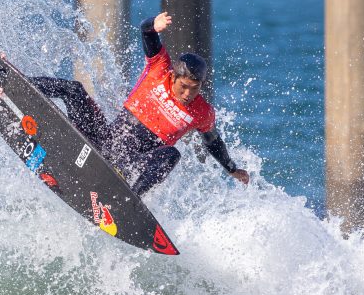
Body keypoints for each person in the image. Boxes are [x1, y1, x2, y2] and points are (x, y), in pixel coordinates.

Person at [31, 12, 249, 196]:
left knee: (172, 155)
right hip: (104, 141)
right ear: (173, 77)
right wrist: (153, 24)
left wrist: (231, 168)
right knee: (74, 90)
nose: (188, 93)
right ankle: (9, 81)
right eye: (184, 86)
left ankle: (129, 200)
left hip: (129, 165)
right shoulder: (159, 69)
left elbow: (213, 141)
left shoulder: (202, 111)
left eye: (195, 88)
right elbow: (146, 32)